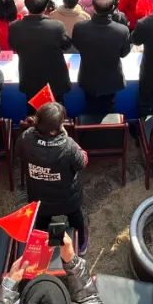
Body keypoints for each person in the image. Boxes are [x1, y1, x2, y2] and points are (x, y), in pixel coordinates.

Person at [17, 102, 89, 251]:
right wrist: (76, 146)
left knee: (42, 221)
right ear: (54, 129)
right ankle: (81, 243)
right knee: (75, 217)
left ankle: (42, 246)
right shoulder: (69, 145)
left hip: (39, 197)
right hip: (68, 198)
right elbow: (82, 163)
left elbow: (19, 153)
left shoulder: (26, 138)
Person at [72, 0, 132, 116]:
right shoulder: (122, 30)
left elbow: (77, 46)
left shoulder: (80, 27)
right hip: (111, 80)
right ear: (112, 8)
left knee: (90, 107)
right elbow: (124, 53)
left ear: (93, 8)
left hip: (88, 78)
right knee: (109, 109)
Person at [9, 0, 73, 103]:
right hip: (55, 81)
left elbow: (14, 46)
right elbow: (66, 45)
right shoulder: (57, 26)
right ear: (46, 6)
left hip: (30, 79)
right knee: (56, 111)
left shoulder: (15, 27)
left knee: (33, 111)